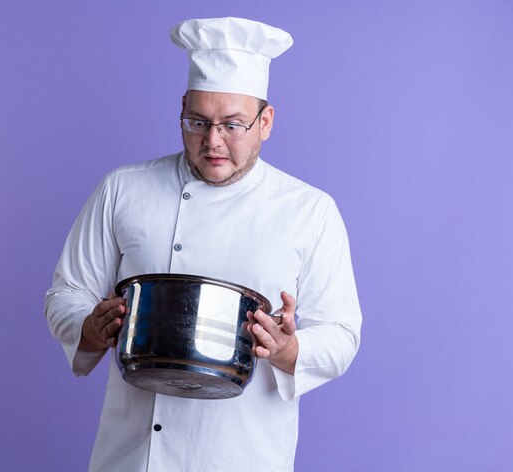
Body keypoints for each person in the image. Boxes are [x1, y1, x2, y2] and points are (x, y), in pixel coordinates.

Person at [45, 17, 362, 472]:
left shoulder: (310, 211)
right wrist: (89, 328)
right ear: (182, 108)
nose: (212, 141)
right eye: (197, 121)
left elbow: (342, 334)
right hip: (132, 456)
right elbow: (66, 293)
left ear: (265, 122)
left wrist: (291, 351)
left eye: (232, 125)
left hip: (244, 455)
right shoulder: (124, 189)